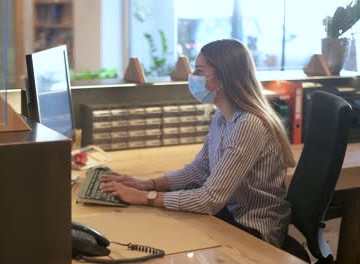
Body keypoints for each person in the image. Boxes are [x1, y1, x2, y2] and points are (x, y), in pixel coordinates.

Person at [100, 38, 295, 248]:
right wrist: (148, 184)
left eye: (200, 71)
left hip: (254, 231)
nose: (192, 77)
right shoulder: (223, 117)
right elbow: (199, 170)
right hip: (229, 216)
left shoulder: (248, 124)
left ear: (223, 78)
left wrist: (145, 197)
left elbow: (209, 199)